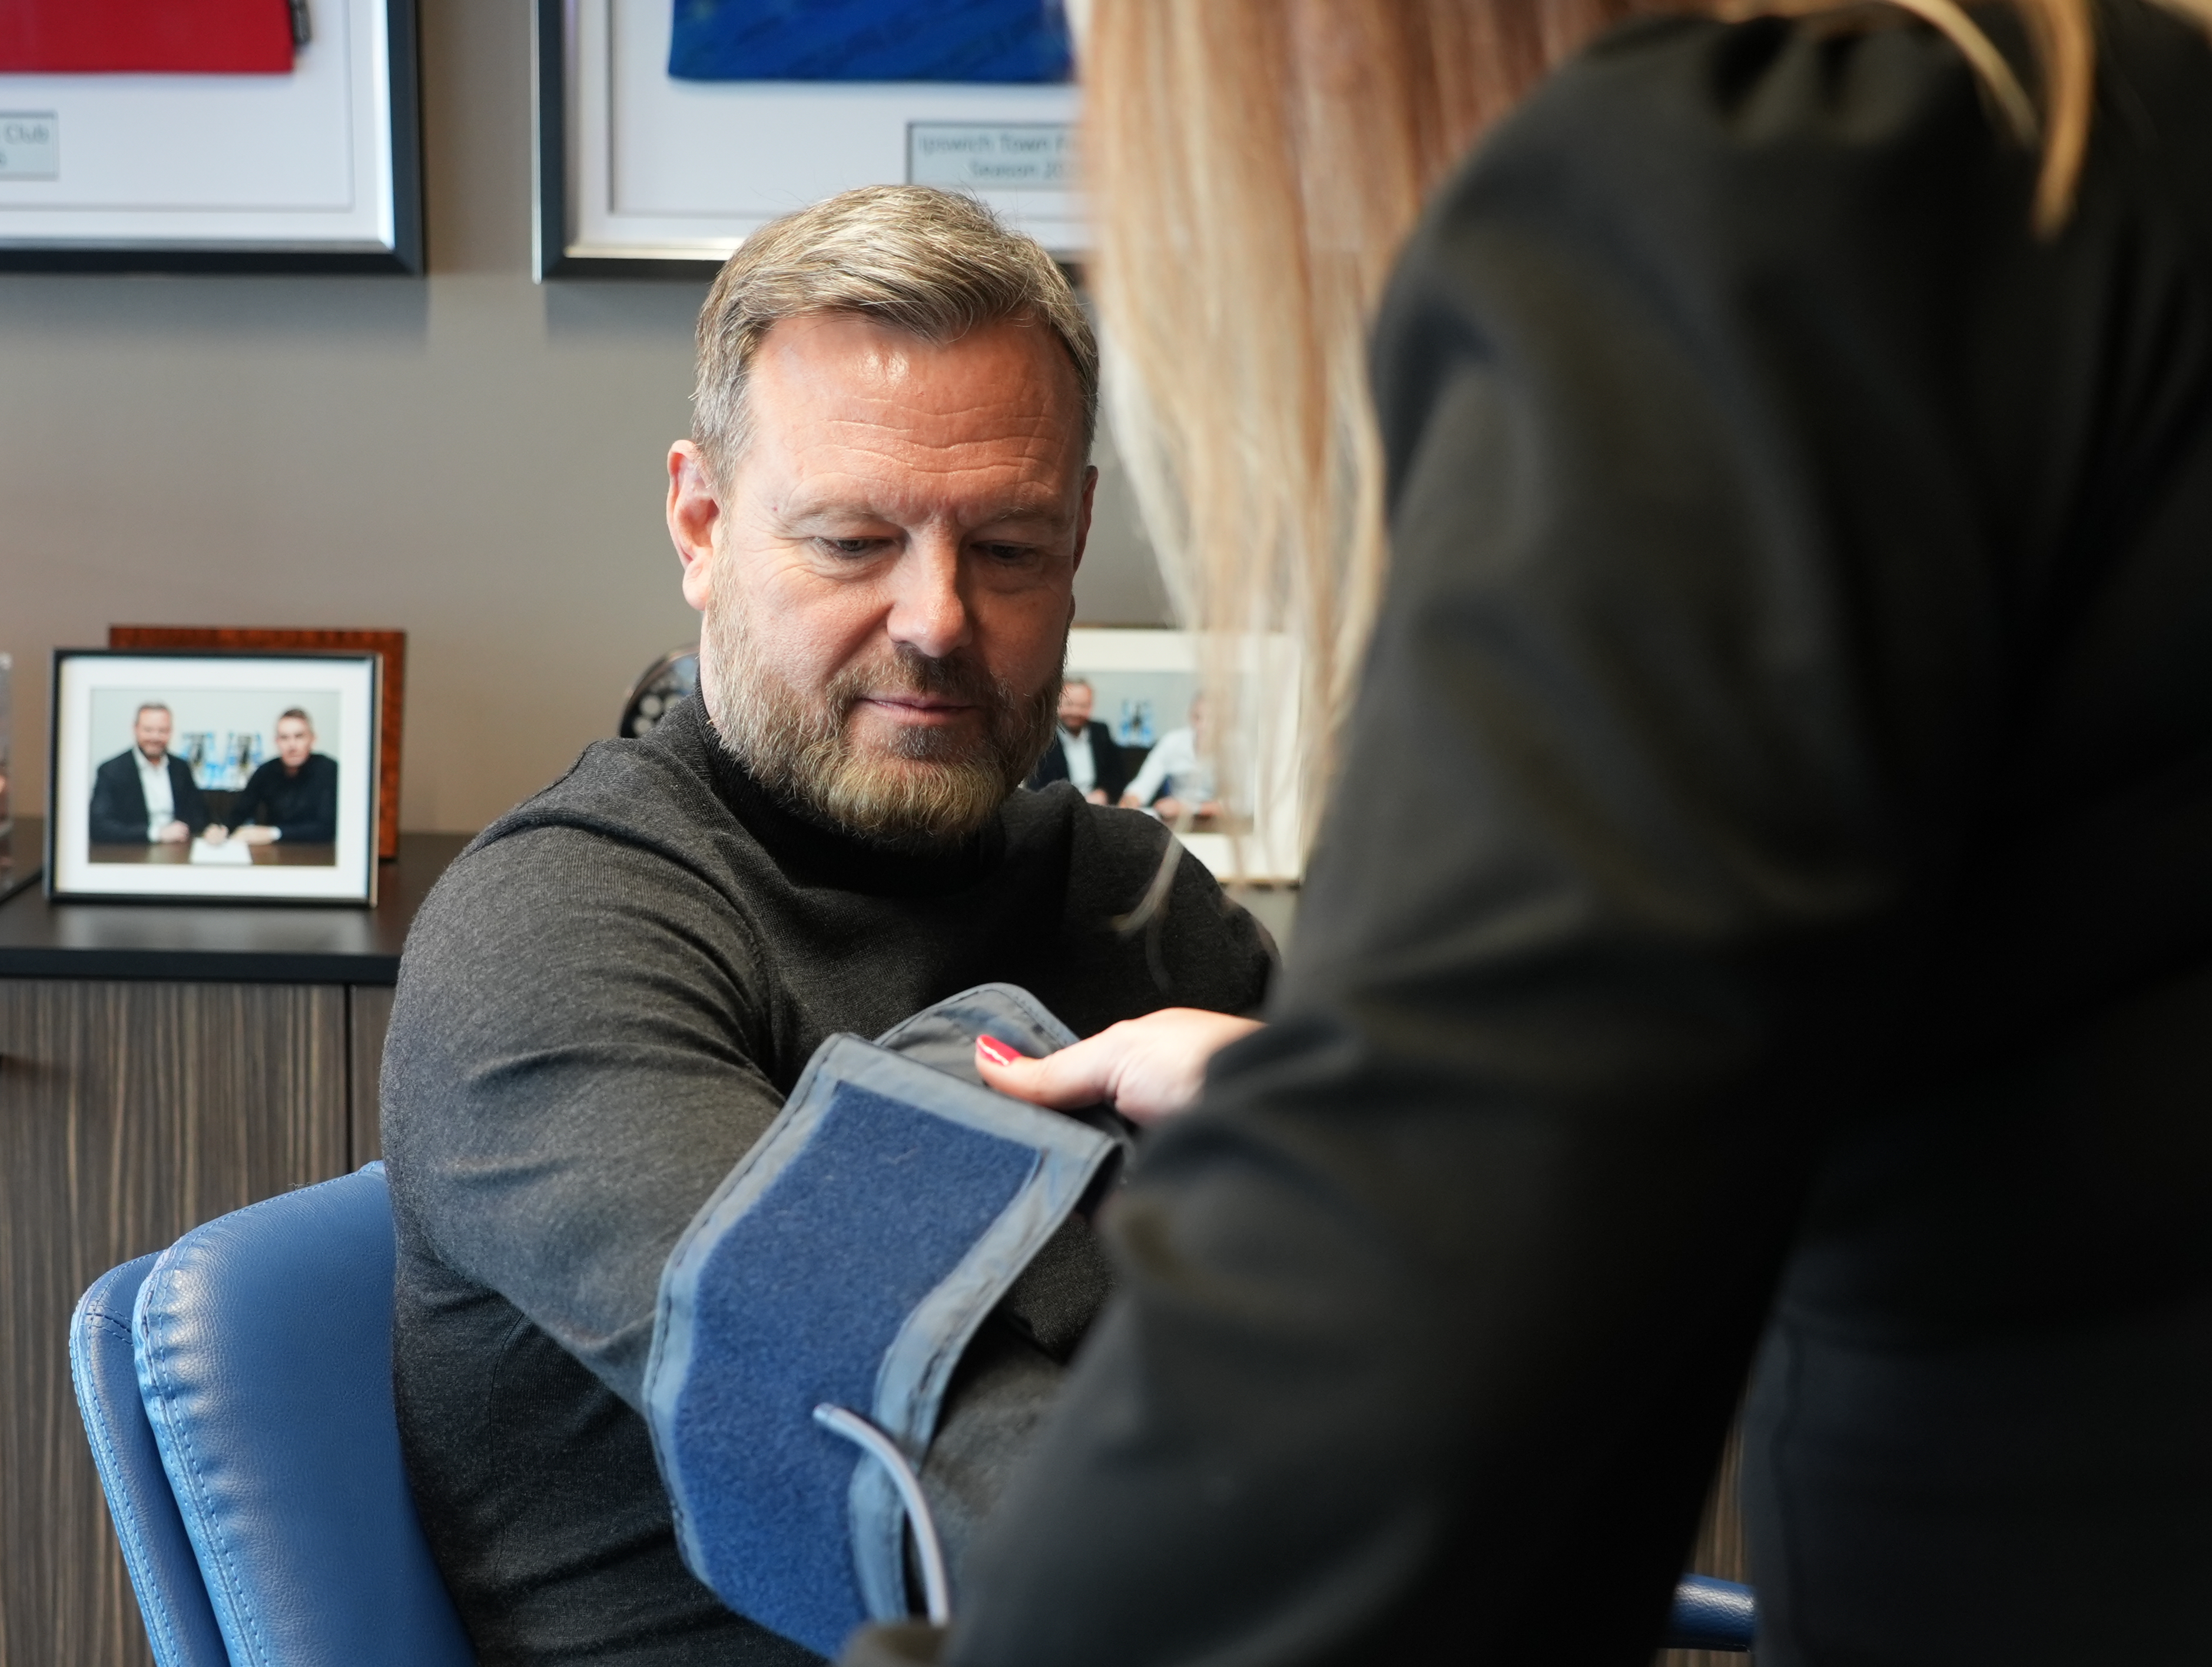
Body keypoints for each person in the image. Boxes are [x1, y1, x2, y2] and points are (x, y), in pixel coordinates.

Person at [837, 3, 2212, 1666]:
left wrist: (1404, 1110)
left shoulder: (1764, 197)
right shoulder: (2121, 138)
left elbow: (1417, 1338)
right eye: (848, 537)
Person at [382, 186, 1274, 1667]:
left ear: (1078, 537)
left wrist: (1335, 1127)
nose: (935, 618)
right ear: (700, 521)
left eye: (1005, 547)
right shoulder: (558, 928)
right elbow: (916, 1419)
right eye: (854, 540)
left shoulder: (1141, 906)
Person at [205, 707, 339, 845]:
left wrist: (273, 833)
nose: (292, 745)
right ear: (277, 742)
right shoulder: (266, 771)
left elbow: (327, 828)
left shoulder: (330, 770)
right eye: (284, 738)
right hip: (276, 853)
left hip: (319, 853)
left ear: (312, 739)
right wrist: (222, 829)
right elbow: (240, 811)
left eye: (299, 737)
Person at [87, 700, 207, 846]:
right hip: (134, 852)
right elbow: (99, 827)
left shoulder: (180, 767)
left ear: (171, 732)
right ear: (135, 729)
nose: (155, 737)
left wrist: (211, 829)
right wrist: (156, 833)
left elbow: (199, 815)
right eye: (148, 730)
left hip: (178, 848)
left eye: (162, 731)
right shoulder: (111, 771)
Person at [1117, 694, 1221, 824]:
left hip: (1222, 826)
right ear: (1190, 717)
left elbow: (1243, 805)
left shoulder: (1235, 748)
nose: (1203, 726)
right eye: (1198, 718)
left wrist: (1188, 809)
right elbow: (1143, 785)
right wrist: (1130, 802)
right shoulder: (1172, 742)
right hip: (1177, 825)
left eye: (1212, 719)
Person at [1026, 678, 1131, 803]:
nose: (1075, 712)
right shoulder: (1043, 737)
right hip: (1058, 808)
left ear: (1091, 706)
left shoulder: (1101, 732)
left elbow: (1117, 775)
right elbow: (1036, 786)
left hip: (1097, 808)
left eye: (1082, 706)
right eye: (1069, 704)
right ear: (1058, 703)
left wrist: (1104, 794)